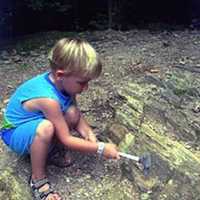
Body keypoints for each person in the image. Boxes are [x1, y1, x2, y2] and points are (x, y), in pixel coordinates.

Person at [0, 38, 119, 200]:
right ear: (60, 75)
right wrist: (100, 148)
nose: (86, 88)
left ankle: (48, 150)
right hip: (14, 133)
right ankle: (38, 180)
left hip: (37, 121)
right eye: (82, 82)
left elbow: (75, 113)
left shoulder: (63, 83)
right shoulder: (48, 100)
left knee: (72, 113)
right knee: (46, 128)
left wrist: (88, 133)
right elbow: (66, 139)